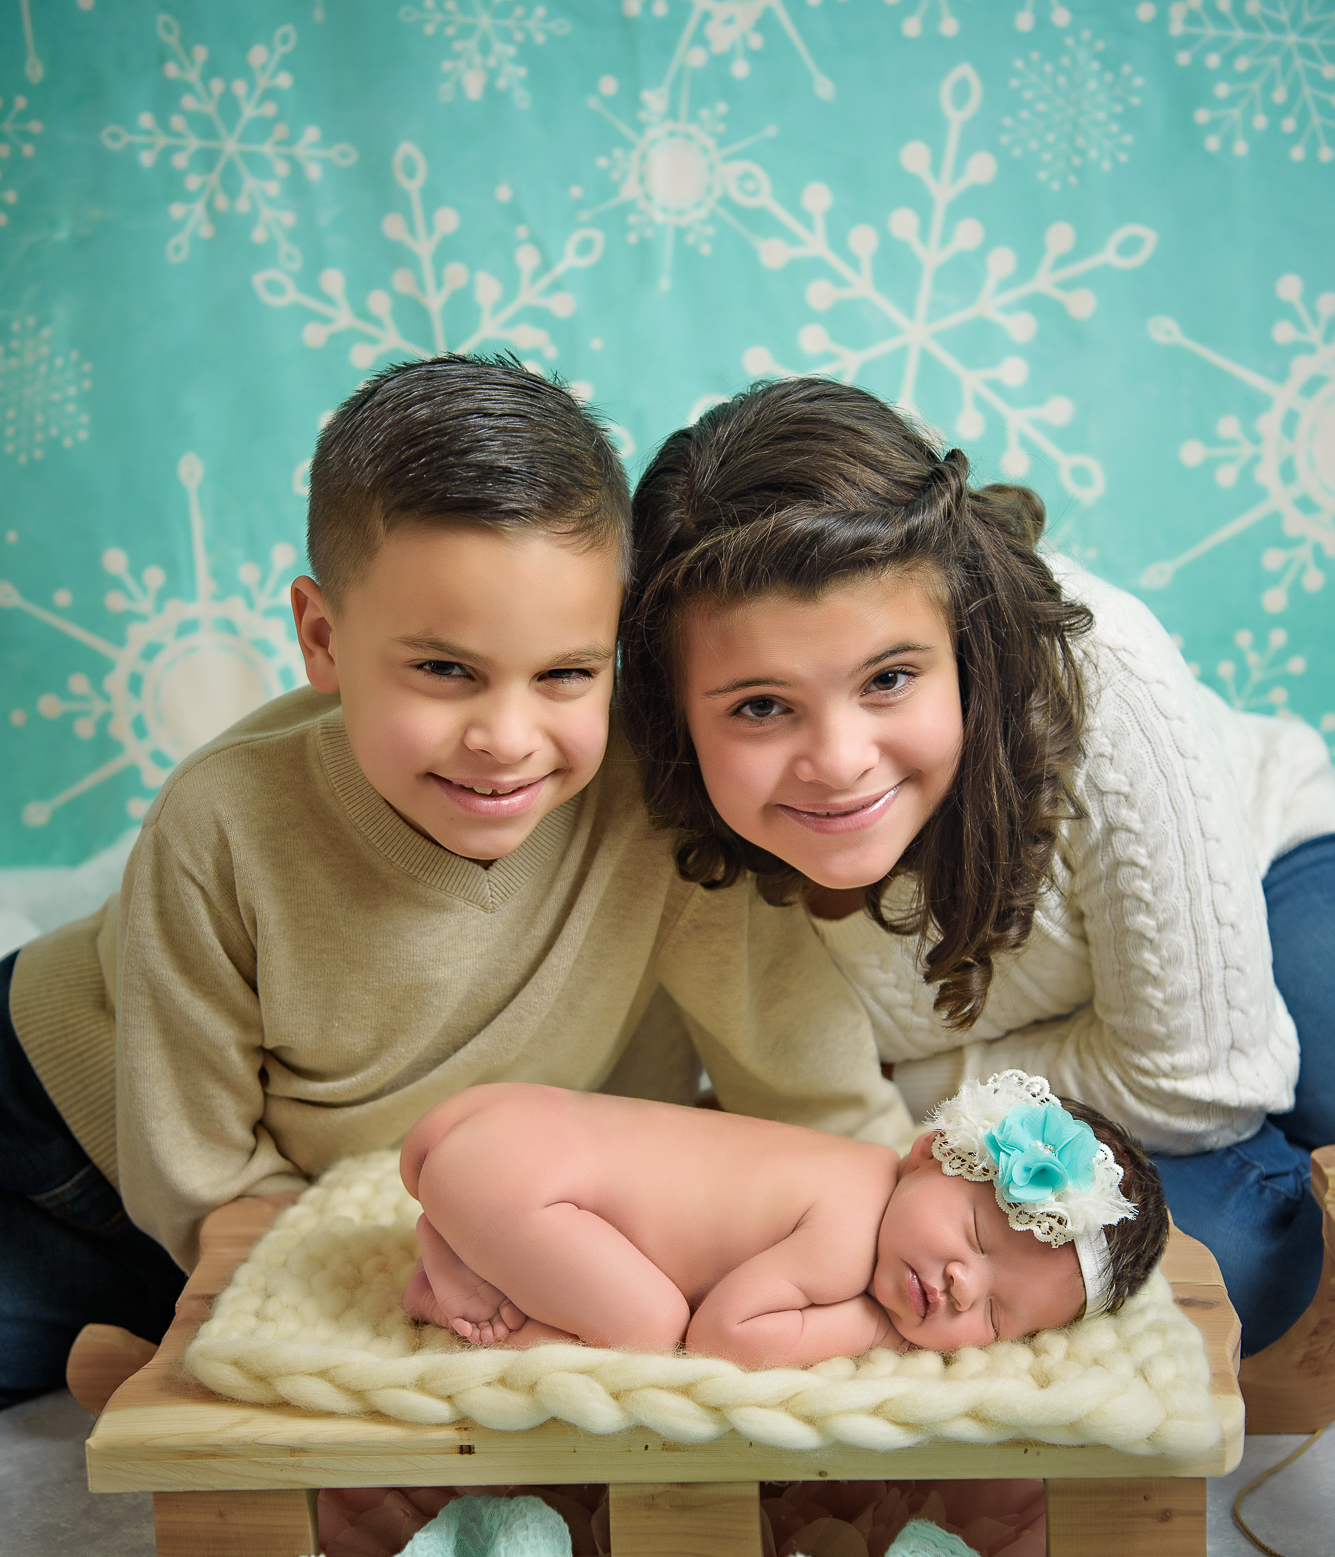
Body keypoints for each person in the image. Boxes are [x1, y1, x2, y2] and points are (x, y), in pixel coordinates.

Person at [0, 359, 909, 1407]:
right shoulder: (222, 820)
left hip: (307, 1192)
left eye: (567, 673)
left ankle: (121, 1340)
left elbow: (814, 1102)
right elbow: (203, 1178)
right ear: (323, 638)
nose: (506, 739)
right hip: (73, 1126)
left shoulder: (658, 799)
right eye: (445, 670)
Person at [618, 377, 1335, 1362]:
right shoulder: (664, 808)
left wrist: (909, 1086)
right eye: (758, 706)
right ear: (675, 712)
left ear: (963, 638)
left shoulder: (1096, 677)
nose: (839, 760)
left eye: (889, 678)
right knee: (1244, 1254)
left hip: (1254, 869)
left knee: (1316, 1044)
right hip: (1068, 1083)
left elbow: (1196, 1087)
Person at [399, 1071, 1164, 1363]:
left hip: (506, 1113)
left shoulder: (856, 1164)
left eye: (995, 1316)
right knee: (649, 1327)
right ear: (929, 1152)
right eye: (973, 1238)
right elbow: (723, 1336)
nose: (963, 1286)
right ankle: (465, 1287)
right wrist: (874, 1327)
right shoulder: (841, 1236)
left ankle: (466, 1229)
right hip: (513, 1177)